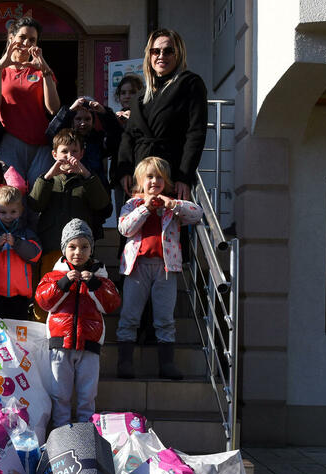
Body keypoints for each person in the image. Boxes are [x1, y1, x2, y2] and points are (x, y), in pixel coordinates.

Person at [116, 156, 202, 380]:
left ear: (167, 182)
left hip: (165, 268)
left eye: (160, 178)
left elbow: (197, 214)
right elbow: (125, 229)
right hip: (137, 267)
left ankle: (167, 364)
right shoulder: (132, 204)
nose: (155, 181)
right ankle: (125, 362)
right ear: (140, 182)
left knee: (165, 318)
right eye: (150, 177)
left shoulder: (171, 205)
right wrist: (145, 208)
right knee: (130, 315)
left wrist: (174, 204)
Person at [34, 219, 121, 427]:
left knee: (87, 394)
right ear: (64, 249)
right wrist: (63, 283)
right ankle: (60, 430)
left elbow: (111, 304)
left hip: (89, 345)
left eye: (84, 247)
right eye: (72, 246)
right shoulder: (53, 275)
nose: (78, 252)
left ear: (91, 249)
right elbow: (43, 301)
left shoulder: (101, 277)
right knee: (60, 393)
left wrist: (95, 284)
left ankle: (86, 431)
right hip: (60, 344)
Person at [117, 29, 208, 202]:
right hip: (140, 176)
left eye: (168, 51)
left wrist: (184, 177)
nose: (161, 56)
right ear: (149, 55)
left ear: (178, 54)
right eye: (155, 51)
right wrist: (125, 170)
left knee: (167, 219)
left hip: (170, 174)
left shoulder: (190, 84)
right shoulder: (140, 96)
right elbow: (128, 136)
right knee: (136, 218)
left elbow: (196, 133)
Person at [0, 16, 60, 183]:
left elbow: (53, 108)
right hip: (9, 142)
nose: (26, 43)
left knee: (38, 191)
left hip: (41, 143)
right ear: (11, 38)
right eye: (22, 37)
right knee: (13, 191)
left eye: (32, 40)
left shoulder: (42, 71)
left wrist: (45, 70)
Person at [27, 129, 111, 271]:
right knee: (52, 281)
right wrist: (48, 177)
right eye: (64, 151)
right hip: (52, 245)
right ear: (54, 154)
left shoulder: (88, 179)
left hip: (80, 251)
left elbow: (101, 204)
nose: (69, 156)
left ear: (81, 154)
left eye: (74, 151)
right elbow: (35, 204)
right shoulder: (48, 180)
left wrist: (86, 175)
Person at [45, 97, 122, 238]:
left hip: (94, 199)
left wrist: (104, 113)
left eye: (87, 119)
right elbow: (51, 134)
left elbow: (116, 136)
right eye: (78, 119)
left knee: (90, 240)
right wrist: (69, 111)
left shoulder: (99, 140)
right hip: (69, 197)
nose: (83, 123)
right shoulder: (64, 140)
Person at [0, 185, 41, 320]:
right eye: (3, 212)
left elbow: (35, 255)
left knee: (18, 332)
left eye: (13, 212)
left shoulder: (26, 233)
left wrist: (17, 243)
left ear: (21, 210)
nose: (8, 216)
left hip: (20, 297)